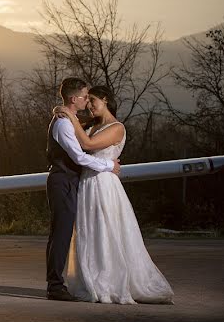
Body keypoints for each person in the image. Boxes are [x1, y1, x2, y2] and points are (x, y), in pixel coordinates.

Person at [54, 85, 174, 304]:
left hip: (104, 184)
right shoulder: (91, 125)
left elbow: (86, 144)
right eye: (86, 100)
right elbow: (71, 139)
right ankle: (92, 277)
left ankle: (110, 280)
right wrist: (64, 115)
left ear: (105, 100)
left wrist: (69, 116)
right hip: (87, 184)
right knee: (90, 231)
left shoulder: (117, 128)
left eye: (92, 100)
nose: (89, 105)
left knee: (106, 228)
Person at [46, 78, 120, 302]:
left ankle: (58, 283)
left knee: (63, 232)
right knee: (61, 233)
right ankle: (55, 286)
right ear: (73, 98)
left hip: (70, 182)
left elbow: (89, 130)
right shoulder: (63, 124)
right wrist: (110, 166)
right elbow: (79, 156)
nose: (87, 101)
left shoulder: (72, 121)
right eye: (85, 96)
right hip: (63, 181)